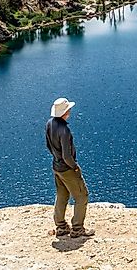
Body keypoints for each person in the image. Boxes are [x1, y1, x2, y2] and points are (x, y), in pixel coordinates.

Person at [45, 97, 95, 238]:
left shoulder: (49, 124)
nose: (70, 111)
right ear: (65, 112)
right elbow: (67, 156)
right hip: (67, 169)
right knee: (82, 196)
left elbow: (48, 146)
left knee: (62, 195)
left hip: (56, 166)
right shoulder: (64, 130)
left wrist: (57, 158)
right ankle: (77, 228)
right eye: (68, 109)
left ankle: (61, 227)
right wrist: (75, 167)